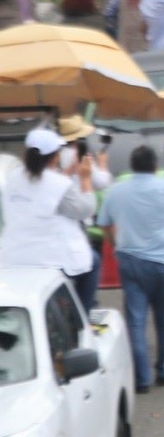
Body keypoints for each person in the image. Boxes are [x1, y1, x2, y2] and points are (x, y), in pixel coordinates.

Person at [98, 143, 164, 393]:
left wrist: (115, 246)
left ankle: (141, 377)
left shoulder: (116, 191)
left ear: (132, 166)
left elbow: (104, 224)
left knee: (136, 321)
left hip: (130, 260)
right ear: (155, 166)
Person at [0, 128, 96, 315]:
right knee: (94, 262)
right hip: (51, 258)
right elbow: (85, 209)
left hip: (14, 256)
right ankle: (81, 316)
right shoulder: (58, 183)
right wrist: (85, 179)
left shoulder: (12, 178)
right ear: (55, 157)